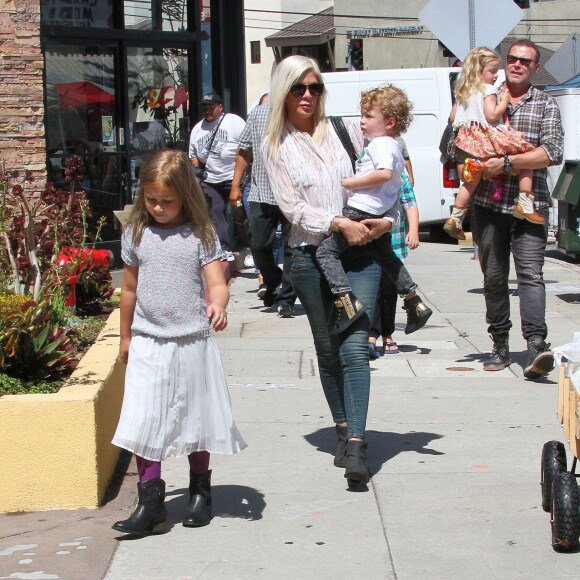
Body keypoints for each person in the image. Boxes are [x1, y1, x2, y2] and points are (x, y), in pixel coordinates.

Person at [261, 55, 393, 486]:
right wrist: (338, 222)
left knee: (355, 345)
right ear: (283, 91)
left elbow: (392, 175)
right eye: (299, 88)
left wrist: (388, 220)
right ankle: (341, 425)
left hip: (360, 256)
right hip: (308, 256)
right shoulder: (274, 146)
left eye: (314, 88)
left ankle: (357, 443)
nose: (307, 96)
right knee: (328, 348)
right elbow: (292, 208)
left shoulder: (347, 129)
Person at [111, 150, 246, 536]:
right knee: (143, 418)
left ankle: (200, 492)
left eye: (166, 201)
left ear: (186, 196)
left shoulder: (200, 235)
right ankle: (150, 504)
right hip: (148, 340)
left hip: (191, 341)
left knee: (194, 417)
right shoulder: (136, 233)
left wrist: (217, 305)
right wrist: (125, 336)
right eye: (151, 199)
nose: (157, 207)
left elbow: (217, 282)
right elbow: (129, 289)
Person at [471, 39, 563, 379]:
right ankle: (500, 343)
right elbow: (458, 137)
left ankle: (537, 344)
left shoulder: (546, 105)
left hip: (530, 205)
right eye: (512, 59)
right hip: (488, 204)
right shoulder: (485, 97)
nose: (517, 65)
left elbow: (551, 152)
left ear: (535, 67)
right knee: (493, 278)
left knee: (530, 276)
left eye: (525, 61)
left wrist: (507, 162)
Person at [315, 84, 432, 336]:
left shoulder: (380, 144)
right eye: (362, 115)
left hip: (359, 210)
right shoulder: (396, 147)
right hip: (379, 212)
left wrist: (351, 182)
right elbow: (396, 181)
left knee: (326, 253)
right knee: (387, 257)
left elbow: (384, 174)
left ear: (389, 122)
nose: (362, 121)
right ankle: (414, 301)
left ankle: (345, 300)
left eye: (369, 116)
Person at [444, 46, 540, 241]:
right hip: (486, 138)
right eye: (492, 71)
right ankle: (525, 202)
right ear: (480, 72)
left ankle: (455, 217)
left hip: (467, 142)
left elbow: (452, 118)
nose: (496, 76)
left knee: (470, 182)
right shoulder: (488, 89)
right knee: (526, 155)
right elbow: (492, 114)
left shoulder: (463, 90)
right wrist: (503, 100)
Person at [230, 92, 297, 317]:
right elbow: (244, 150)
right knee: (258, 244)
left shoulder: (300, 112)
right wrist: (235, 186)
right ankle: (272, 278)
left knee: (292, 248)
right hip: (262, 190)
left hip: (294, 193)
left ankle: (287, 298)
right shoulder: (258, 114)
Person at [189, 92, 246, 262]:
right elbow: (193, 155)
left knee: (241, 212)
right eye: (205, 107)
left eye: (211, 107)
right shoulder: (197, 129)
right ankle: (223, 248)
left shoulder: (233, 121)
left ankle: (250, 246)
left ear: (220, 107)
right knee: (215, 212)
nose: (207, 110)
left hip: (235, 176)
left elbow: (245, 146)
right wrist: (196, 169)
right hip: (211, 179)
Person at [368, 171, 420, 358]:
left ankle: (387, 334)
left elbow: (410, 204)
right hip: (369, 240)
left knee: (389, 291)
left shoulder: (400, 175)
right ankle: (371, 335)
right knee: (373, 290)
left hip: (394, 243)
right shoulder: (364, 169)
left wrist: (413, 230)